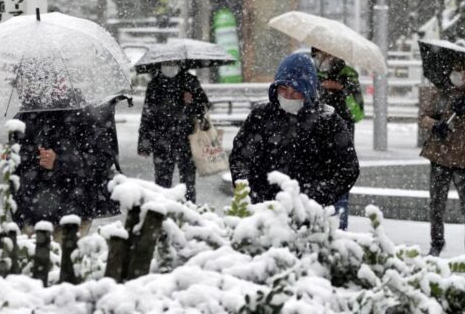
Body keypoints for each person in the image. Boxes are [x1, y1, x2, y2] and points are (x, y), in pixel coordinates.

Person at [229, 53, 359, 207]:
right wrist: (252, 194)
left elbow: (348, 168)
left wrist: (314, 198)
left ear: (308, 91)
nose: (288, 96)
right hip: (263, 211)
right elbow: (240, 158)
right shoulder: (261, 116)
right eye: (283, 88)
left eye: (296, 91)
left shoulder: (328, 121)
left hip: (310, 214)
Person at [11, 107, 114, 238]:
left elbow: (102, 159)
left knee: (64, 257)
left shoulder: (84, 112)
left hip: (72, 214)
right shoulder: (22, 117)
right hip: (30, 215)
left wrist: (60, 161)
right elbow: (15, 164)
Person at [420, 64, 465, 256]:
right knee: (436, 204)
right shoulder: (442, 93)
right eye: (456, 70)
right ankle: (436, 242)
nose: (459, 75)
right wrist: (436, 125)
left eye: (464, 72)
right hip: (440, 156)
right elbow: (423, 117)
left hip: (463, 160)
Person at [138, 63, 209, 202]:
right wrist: (144, 143)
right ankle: (162, 212)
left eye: (172, 62)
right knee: (162, 183)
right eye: (166, 63)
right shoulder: (155, 84)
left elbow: (204, 106)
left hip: (186, 139)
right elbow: (147, 115)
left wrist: (192, 101)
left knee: (188, 182)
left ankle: (189, 211)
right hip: (161, 140)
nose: (169, 66)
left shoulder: (189, 81)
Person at [311, 48, 364, 230]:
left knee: (340, 187)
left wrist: (342, 90)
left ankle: (340, 230)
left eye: (325, 54)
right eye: (317, 54)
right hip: (313, 144)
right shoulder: (311, 74)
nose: (321, 58)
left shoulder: (348, 76)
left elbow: (357, 113)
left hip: (341, 145)